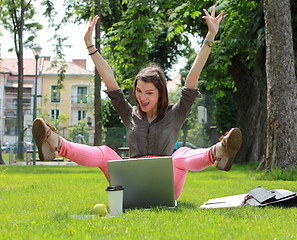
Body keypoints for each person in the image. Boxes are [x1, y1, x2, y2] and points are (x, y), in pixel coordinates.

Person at [32, 6, 242, 200]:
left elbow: (193, 75)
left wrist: (210, 36)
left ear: (161, 94)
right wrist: (90, 46)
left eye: (149, 93)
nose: (142, 97)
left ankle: (218, 151)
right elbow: (109, 79)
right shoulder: (129, 113)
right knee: (105, 153)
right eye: (139, 91)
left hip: (167, 186)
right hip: (129, 186)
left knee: (180, 155)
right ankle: (54, 144)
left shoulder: (175, 114)